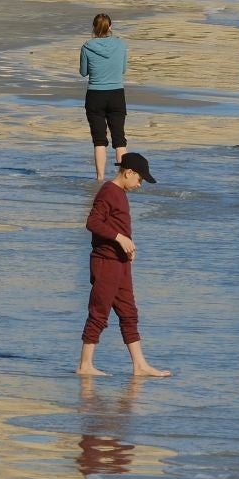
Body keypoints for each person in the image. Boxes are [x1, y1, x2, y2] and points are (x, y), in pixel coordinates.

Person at [76, 152, 171, 378]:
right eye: (139, 179)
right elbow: (92, 222)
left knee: (129, 313)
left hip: (120, 263)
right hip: (105, 262)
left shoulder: (120, 194)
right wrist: (120, 238)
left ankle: (139, 365)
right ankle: (84, 365)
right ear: (128, 172)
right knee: (99, 312)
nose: (140, 184)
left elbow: (117, 227)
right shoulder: (108, 191)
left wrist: (127, 248)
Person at [80, 13, 129, 181]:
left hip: (95, 95)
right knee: (119, 139)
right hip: (116, 94)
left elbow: (83, 72)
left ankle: (100, 178)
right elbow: (123, 69)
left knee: (99, 140)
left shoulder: (87, 46)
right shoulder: (121, 44)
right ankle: (123, 177)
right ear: (110, 27)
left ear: (94, 28)